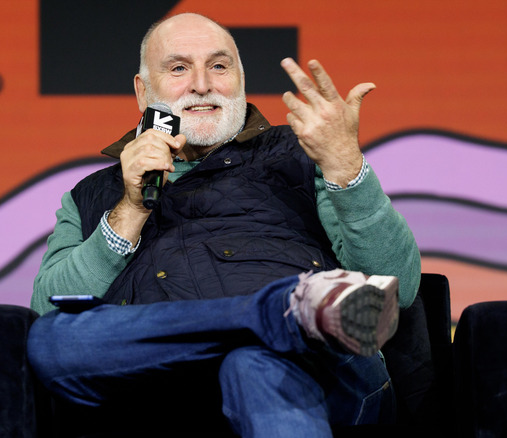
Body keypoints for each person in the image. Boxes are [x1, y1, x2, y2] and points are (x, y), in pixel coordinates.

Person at [27, 12, 421, 437]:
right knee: (51, 339)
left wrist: (346, 165)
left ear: (241, 78)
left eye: (219, 65)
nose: (202, 84)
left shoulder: (304, 153)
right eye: (179, 68)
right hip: (156, 388)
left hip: (316, 376)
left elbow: (396, 285)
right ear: (143, 91)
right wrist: (131, 209)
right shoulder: (94, 195)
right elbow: (48, 305)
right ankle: (284, 310)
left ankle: (282, 320)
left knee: (254, 365)